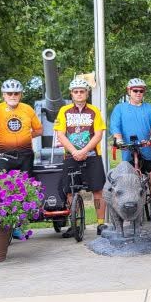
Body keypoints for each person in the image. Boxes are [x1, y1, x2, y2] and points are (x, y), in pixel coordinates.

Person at [53, 78, 107, 234]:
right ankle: (74, 224)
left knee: (98, 190)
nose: (79, 94)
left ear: (87, 93)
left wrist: (84, 151)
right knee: (70, 191)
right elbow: (61, 135)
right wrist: (74, 151)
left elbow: (98, 135)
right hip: (70, 156)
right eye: (76, 92)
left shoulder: (94, 111)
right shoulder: (64, 111)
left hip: (92, 156)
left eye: (82, 91)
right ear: (71, 94)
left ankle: (100, 223)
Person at [108, 78, 151, 195]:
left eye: (141, 91)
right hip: (128, 151)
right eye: (135, 90)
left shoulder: (150, 108)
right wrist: (119, 140)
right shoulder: (119, 108)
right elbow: (115, 127)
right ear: (129, 91)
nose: (138, 93)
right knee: (129, 184)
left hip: (147, 150)